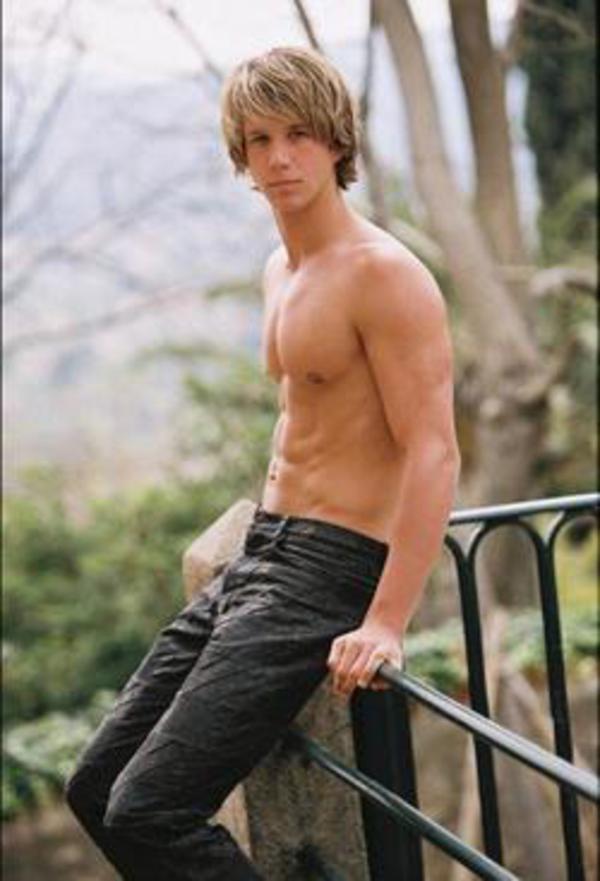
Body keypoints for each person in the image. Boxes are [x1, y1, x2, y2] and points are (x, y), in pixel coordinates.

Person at [65, 46, 461, 880]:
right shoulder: (281, 269)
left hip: (326, 572)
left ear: (336, 140)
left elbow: (433, 449)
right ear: (240, 154)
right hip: (258, 556)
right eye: (259, 139)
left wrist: (386, 620)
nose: (279, 157)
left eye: (298, 134)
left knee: (149, 811)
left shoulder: (385, 275)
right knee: (95, 787)